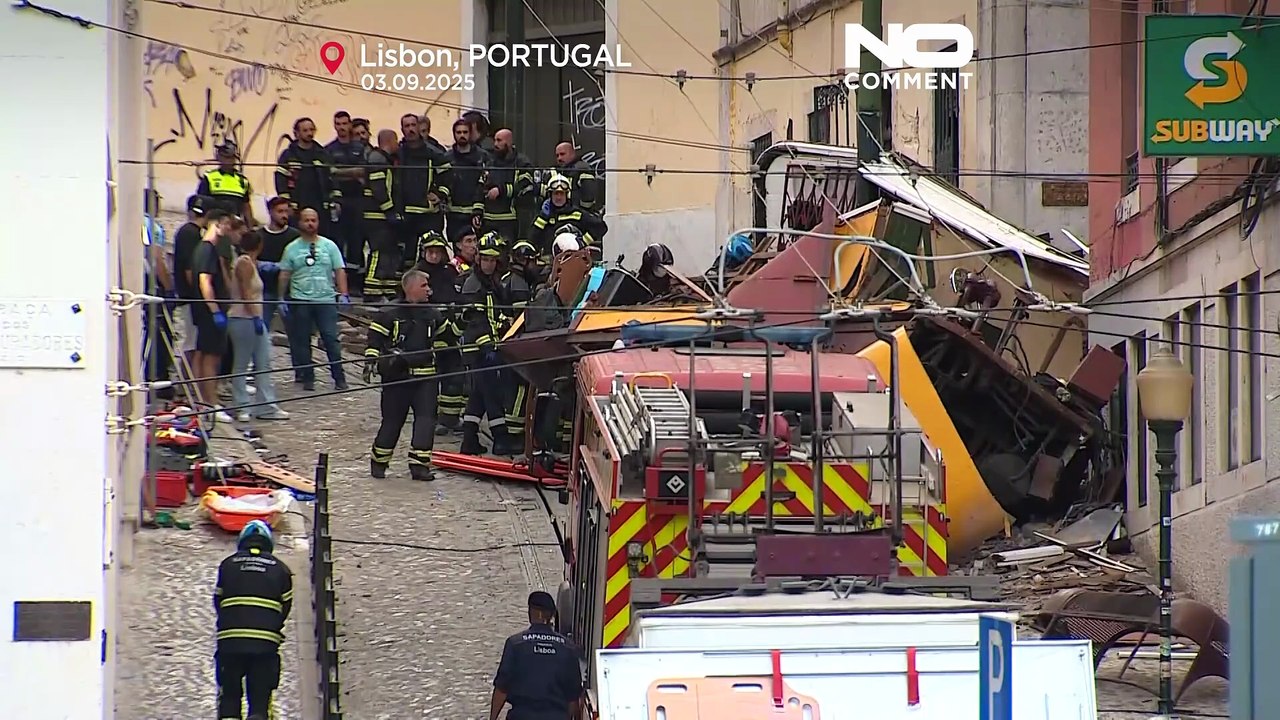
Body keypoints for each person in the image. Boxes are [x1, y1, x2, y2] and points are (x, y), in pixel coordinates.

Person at [364, 269, 457, 481]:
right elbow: (374, 342)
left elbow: (447, 339)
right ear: (410, 288)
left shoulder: (432, 314)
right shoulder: (389, 313)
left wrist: (460, 322)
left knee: (426, 421)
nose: (429, 291)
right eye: (424, 286)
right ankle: (379, 462)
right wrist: (372, 362)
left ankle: (419, 466)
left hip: (426, 378)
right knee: (392, 422)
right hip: (397, 379)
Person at [215, 520, 293, 720]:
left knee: (229, 696)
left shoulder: (228, 564)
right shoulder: (281, 569)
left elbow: (218, 601)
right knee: (260, 699)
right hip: (264, 645)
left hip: (230, 642)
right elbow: (285, 607)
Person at [459, 232, 519, 456]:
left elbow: (496, 313)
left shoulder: (494, 282)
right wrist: (486, 345)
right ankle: (501, 439)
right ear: (478, 258)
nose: (489, 264)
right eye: (486, 259)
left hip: (491, 346)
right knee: (491, 393)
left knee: (479, 394)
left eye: (493, 260)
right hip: (478, 349)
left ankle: (469, 438)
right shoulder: (473, 284)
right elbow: (474, 320)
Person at [277, 208, 350, 392]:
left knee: (331, 339)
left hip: (325, 300)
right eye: (306, 220)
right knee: (302, 340)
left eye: (314, 220)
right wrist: (280, 297)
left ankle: (339, 377)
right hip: (301, 299)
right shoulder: (291, 248)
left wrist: (343, 293)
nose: (310, 223)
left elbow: (339, 270)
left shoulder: (329, 246)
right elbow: (285, 274)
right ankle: (308, 377)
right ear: (300, 223)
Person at [489, 591, 583, 720]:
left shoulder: (515, 644)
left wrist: (492, 717)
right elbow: (573, 699)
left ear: (531, 613)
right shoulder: (568, 648)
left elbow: (502, 688)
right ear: (551, 616)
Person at [228, 230, 290, 422]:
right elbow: (246, 293)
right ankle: (242, 405)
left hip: (254, 318)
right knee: (241, 363)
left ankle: (266, 406)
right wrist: (255, 316)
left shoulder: (252, 263)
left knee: (263, 362)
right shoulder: (244, 264)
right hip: (242, 318)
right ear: (259, 246)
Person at [413, 231, 465, 434]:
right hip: (426, 334)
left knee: (453, 374)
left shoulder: (449, 273)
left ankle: (450, 418)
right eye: (430, 252)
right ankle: (429, 417)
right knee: (429, 379)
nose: (434, 256)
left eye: (438, 252)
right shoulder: (417, 275)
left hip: (449, 332)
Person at [192, 210, 240, 422]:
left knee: (204, 355)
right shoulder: (207, 250)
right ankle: (210, 404)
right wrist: (215, 311)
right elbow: (205, 282)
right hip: (210, 314)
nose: (229, 229)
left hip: (208, 313)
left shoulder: (206, 249)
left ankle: (203, 402)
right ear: (219, 224)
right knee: (211, 359)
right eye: (228, 224)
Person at [499, 240, 541, 445]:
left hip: (507, 340)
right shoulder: (519, 284)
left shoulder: (509, 278)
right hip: (516, 341)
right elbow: (522, 317)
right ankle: (514, 433)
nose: (535, 265)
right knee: (520, 387)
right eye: (532, 261)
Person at [397, 113, 452, 270]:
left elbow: (448, 177)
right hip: (405, 212)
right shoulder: (399, 154)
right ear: (402, 129)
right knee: (406, 254)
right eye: (406, 126)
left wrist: (440, 194)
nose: (410, 129)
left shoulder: (434, 153)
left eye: (413, 125)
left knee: (435, 251)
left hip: (429, 214)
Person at [325, 110, 369, 275]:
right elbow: (329, 173)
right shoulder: (329, 149)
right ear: (334, 126)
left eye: (345, 123)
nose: (342, 127)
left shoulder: (360, 148)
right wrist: (352, 173)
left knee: (357, 240)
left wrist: (340, 172)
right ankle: (340, 276)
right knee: (338, 240)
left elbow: (364, 171)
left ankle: (355, 279)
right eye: (338, 124)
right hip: (339, 201)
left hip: (359, 200)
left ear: (350, 124)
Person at [274, 117, 339, 225]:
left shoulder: (322, 154)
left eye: (312, 130)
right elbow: (280, 180)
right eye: (305, 130)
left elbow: (332, 179)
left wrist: (335, 201)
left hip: (320, 206)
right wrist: (287, 204)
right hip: (297, 206)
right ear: (296, 133)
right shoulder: (288, 155)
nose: (309, 133)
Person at [171, 194, 209, 373]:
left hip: (188, 294)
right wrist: (198, 293)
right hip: (190, 296)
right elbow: (189, 268)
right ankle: (185, 383)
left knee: (192, 341)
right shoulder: (191, 234)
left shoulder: (187, 231)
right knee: (191, 343)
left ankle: (187, 383)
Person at [362, 129, 401, 302]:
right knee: (378, 252)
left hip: (381, 215)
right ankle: (372, 292)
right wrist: (390, 209)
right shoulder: (378, 159)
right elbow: (379, 187)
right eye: (396, 141)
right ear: (389, 141)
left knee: (388, 252)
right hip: (376, 215)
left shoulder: (385, 159)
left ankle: (385, 290)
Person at [530, 175, 606, 254]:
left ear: (567, 195)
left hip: (573, 260)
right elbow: (532, 239)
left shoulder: (576, 214)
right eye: (556, 193)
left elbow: (600, 227)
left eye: (562, 194)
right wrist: (543, 218)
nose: (559, 197)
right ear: (550, 195)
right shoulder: (544, 216)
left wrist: (582, 242)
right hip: (549, 261)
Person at [482, 128, 533, 244]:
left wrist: (501, 190)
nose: (495, 144)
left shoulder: (521, 162)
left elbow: (525, 185)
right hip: (488, 220)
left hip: (510, 220)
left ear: (509, 142)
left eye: (499, 140)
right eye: (494, 140)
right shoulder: (490, 161)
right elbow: (481, 185)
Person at [257, 197, 300, 330]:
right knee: (262, 329)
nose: (284, 216)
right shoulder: (259, 235)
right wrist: (260, 265)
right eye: (280, 211)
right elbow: (249, 258)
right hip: (265, 289)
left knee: (295, 331)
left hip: (289, 291)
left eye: (287, 212)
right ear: (270, 212)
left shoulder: (294, 236)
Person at [444, 116, 488, 239]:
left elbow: (485, 183)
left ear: (470, 134)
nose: (462, 135)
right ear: (454, 134)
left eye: (465, 132)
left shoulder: (482, 157)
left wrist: (478, 211)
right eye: (458, 132)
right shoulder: (446, 158)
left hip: (476, 213)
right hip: (454, 214)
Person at [197, 141, 257, 225]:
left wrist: (250, 227)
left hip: (234, 225)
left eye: (231, 158)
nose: (229, 161)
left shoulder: (242, 180)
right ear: (219, 157)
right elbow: (201, 202)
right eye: (225, 157)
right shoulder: (209, 177)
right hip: (214, 223)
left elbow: (246, 206)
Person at [553, 141, 599, 213]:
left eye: (562, 154)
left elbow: (589, 195)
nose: (559, 158)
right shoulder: (561, 171)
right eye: (557, 155)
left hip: (579, 217)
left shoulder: (582, 168)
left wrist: (582, 212)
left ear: (572, 154)